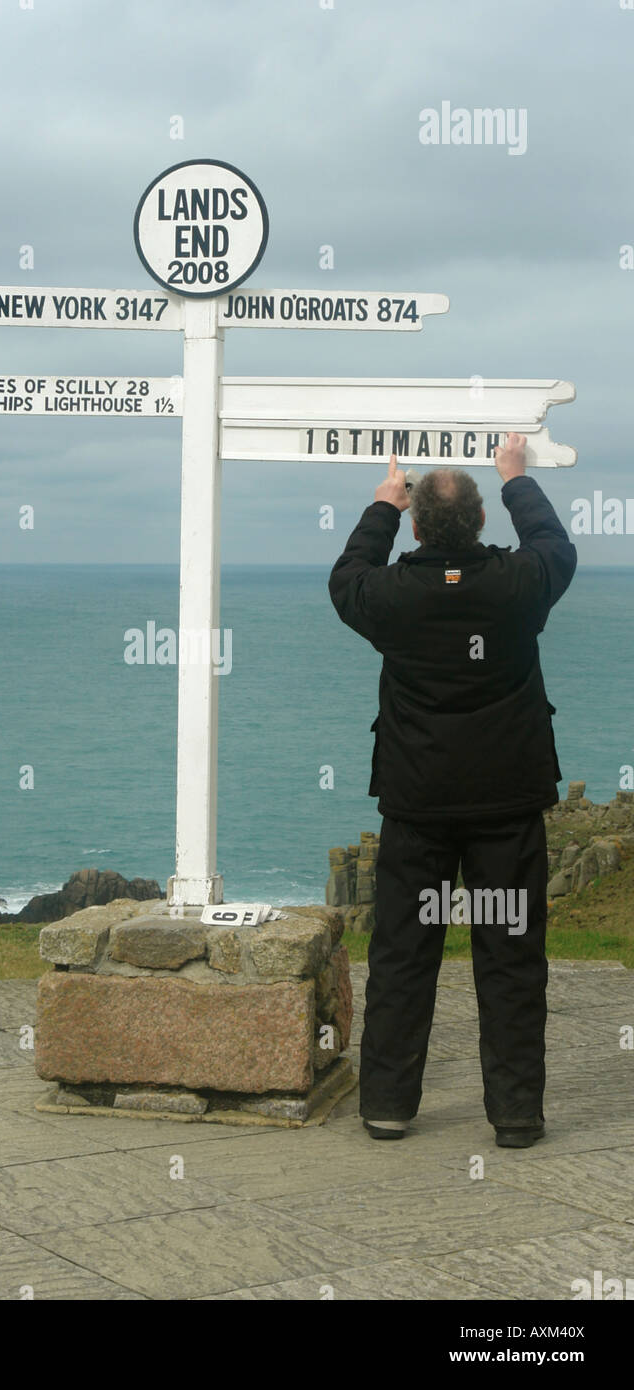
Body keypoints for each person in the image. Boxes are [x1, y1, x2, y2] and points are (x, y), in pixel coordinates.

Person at [328, 434, 577, 1148]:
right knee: (511, 956)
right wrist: (515, 478)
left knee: (405, 954)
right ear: (481, 522)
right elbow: (556, 547)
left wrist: (381, 505)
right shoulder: (518, 585)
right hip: (507, 808)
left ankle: (389, 1107)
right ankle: (517, 1114)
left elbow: (346, 578)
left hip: (418, 808)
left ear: (415, 526)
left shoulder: (392, 596)